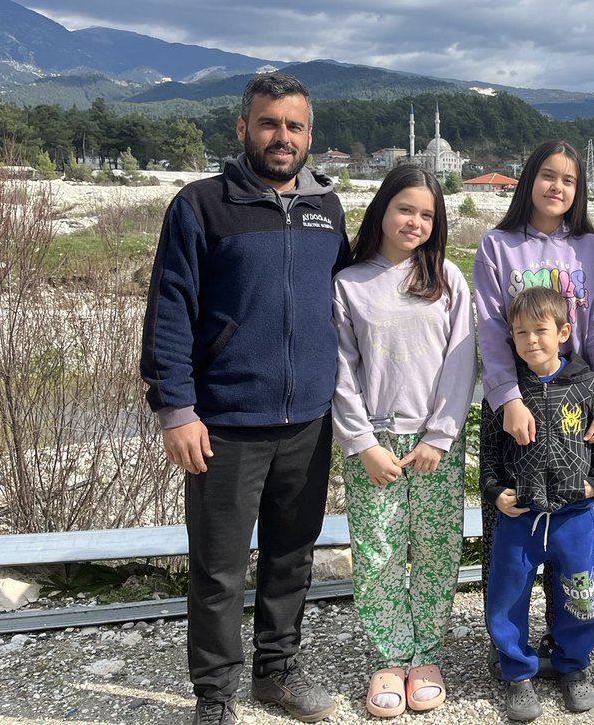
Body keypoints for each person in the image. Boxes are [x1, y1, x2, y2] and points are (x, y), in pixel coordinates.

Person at [140, 73, 347, 725]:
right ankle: (215, 696)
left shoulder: (329, 210)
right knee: (219, 569)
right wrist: (176, 408)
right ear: (243, 128)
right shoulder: (200, 206)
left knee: (291, 559)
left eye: (293, 126)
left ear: (309, 135)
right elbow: (170, 310)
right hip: (225, 422)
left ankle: (277, 673)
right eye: (268, 124)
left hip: (309, 421)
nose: (281, 137)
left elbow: (349, 304)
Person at [473, 139, 594, 679]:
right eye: (547, 175)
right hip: (516, 407)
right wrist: (507, 399)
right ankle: (510, 656)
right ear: (528, 179)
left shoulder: (592, 249)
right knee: (511, 549)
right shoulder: (498, 246)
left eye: (569, 179)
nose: (557, 186)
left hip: (575, 405)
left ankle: (569, 656)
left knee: (572, 558)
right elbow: (491, 329)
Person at [330, 166, 475, 718]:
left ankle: (427, 655)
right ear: (382, 210)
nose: (414, 222)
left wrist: (440, 436)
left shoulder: (448, 279)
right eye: (405, 209)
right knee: (378, 551)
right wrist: (362, 442)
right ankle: (390, 656)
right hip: (375, 441)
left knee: (436, 549)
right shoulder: (349, 283)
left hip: (436, 442)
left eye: (427, 214)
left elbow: (462, 363)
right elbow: (342, 370)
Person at [480, 287, 594, 722]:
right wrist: (494, 491)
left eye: (540, 331)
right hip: (519, 515)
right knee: (508, 593)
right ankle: (517, 670)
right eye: (521, 333)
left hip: (574, 515)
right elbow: (488, 453)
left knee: (579, 592)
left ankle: (572, 665)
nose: (530, 341)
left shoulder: (588, 385)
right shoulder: (504, 391)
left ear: (563, 332)